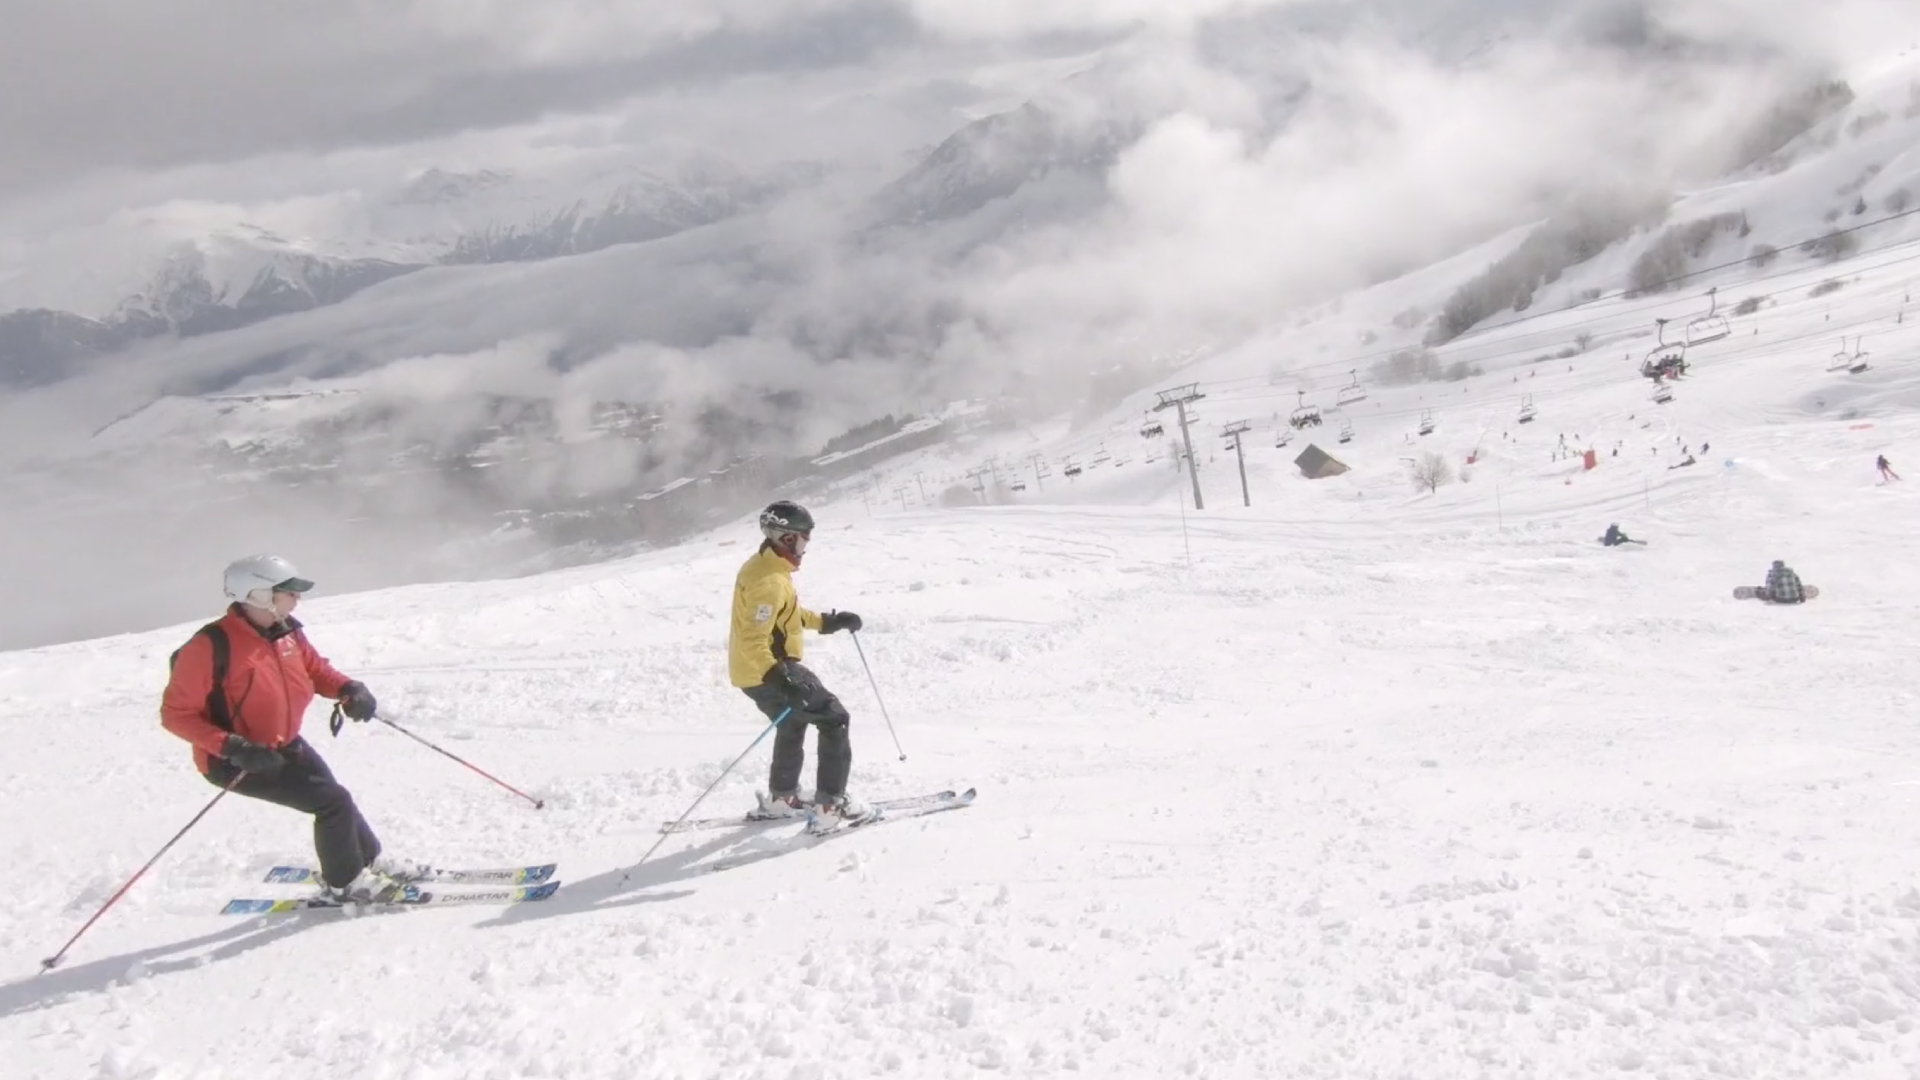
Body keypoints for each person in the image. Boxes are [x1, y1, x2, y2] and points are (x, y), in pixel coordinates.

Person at [160, 555, 402, 903]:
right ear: (260, 595)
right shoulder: (209, 647)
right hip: (236, 760)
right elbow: (176, 714)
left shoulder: (286, 631)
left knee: (335, 797)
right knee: (332, 803)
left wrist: (349, 689)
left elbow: (315, 670)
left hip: (285, 745)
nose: (296, 599)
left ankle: (369, 861)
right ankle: (345, 884)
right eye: (288, 591)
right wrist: (234, 748)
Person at [728, 501, 874, 825]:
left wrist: (827, 622)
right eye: (803, 540)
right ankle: (830, 808)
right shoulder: (768, 581)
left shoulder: (767, 568)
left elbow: (787, 614)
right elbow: (755, 639)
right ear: (786, 538)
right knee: (834, 718)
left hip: (752, 671)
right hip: (767, 668)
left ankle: (782, 798)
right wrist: (783, 681)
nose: (805, 548)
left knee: (792, 722)